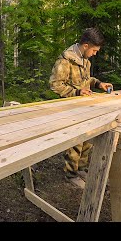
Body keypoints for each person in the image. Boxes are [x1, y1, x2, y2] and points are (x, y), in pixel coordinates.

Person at [49, 27, 114, 189]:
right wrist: (77, 92)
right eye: (94, 50)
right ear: (85, 45)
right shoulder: (65, 61)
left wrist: (99, 83)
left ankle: (82, 169)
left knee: (88, 139)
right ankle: (70, 174)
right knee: (75, 143)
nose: (95, 53)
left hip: (85, 106)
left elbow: (87, 79)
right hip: (71, 107)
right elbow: (55, 85)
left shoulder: (85, 60)